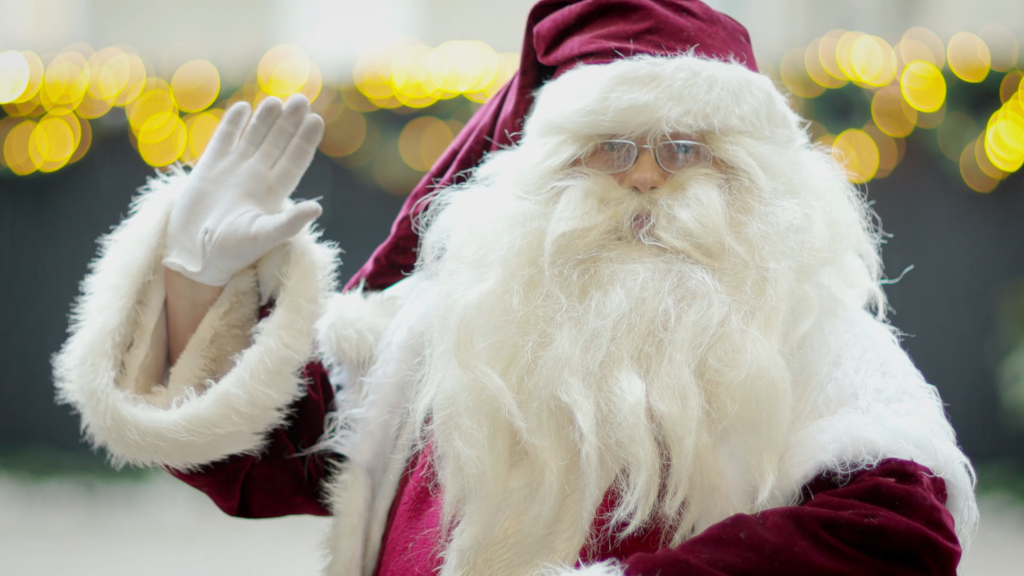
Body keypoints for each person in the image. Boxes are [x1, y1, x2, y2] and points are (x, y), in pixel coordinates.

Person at [53, 1, 978, 575]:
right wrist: (197, 280)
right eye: (610, 148)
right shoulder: (449, 325)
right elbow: (257, 452)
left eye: (684, 149)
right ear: (543, 170)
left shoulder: (805, 332)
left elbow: (896, 535)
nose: (647, 178)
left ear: (752, 177)